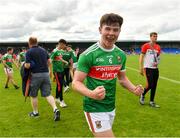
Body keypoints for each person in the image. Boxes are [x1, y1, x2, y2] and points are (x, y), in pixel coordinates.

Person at [72, 13, 144, 137]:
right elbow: (76, 83)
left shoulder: (120, 55)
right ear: (100, 30)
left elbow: (122, 79)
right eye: (108, 29)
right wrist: (92, 94)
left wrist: (134, 89)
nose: (111, 33)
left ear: (119, 31)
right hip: (94, 107)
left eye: (115, 30)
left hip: (110, 106)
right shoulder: (88, 55)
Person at [24, 36, 60, 121]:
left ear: (29, 43)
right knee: (48, 94)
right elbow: (49, 61)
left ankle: (35, 112)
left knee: (33, 95)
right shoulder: (43, 50)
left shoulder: (29, 52)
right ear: (37, 42)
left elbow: (27, 65)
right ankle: (55, 109)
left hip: (35, 75)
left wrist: (25, 65)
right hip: (45, 74)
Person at [139, 32, 161, 108]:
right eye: (154, 36)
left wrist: (157, 62)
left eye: (156, 36)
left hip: (155, 69)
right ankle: (142, 94)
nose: (155, 37)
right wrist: (141, 67)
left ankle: (152, 101)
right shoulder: (146, 46)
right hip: (148, 68)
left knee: (154, 85)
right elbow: (141, 56)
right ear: (150, 37)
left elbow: (158, 57)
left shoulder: (158, 47)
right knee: (150, 84)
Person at [50, 39, 68, 107]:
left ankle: (57, 98)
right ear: (60, 44)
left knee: (59, 85)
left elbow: (60, 59)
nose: (65, 46)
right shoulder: (55, 51)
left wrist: (65, 62)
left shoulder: (60, 51)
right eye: (64, 45)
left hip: (61, 70)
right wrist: (50, 71)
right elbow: (50, 60)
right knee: (60, 85)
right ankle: (61, 101)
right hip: (57, 71)